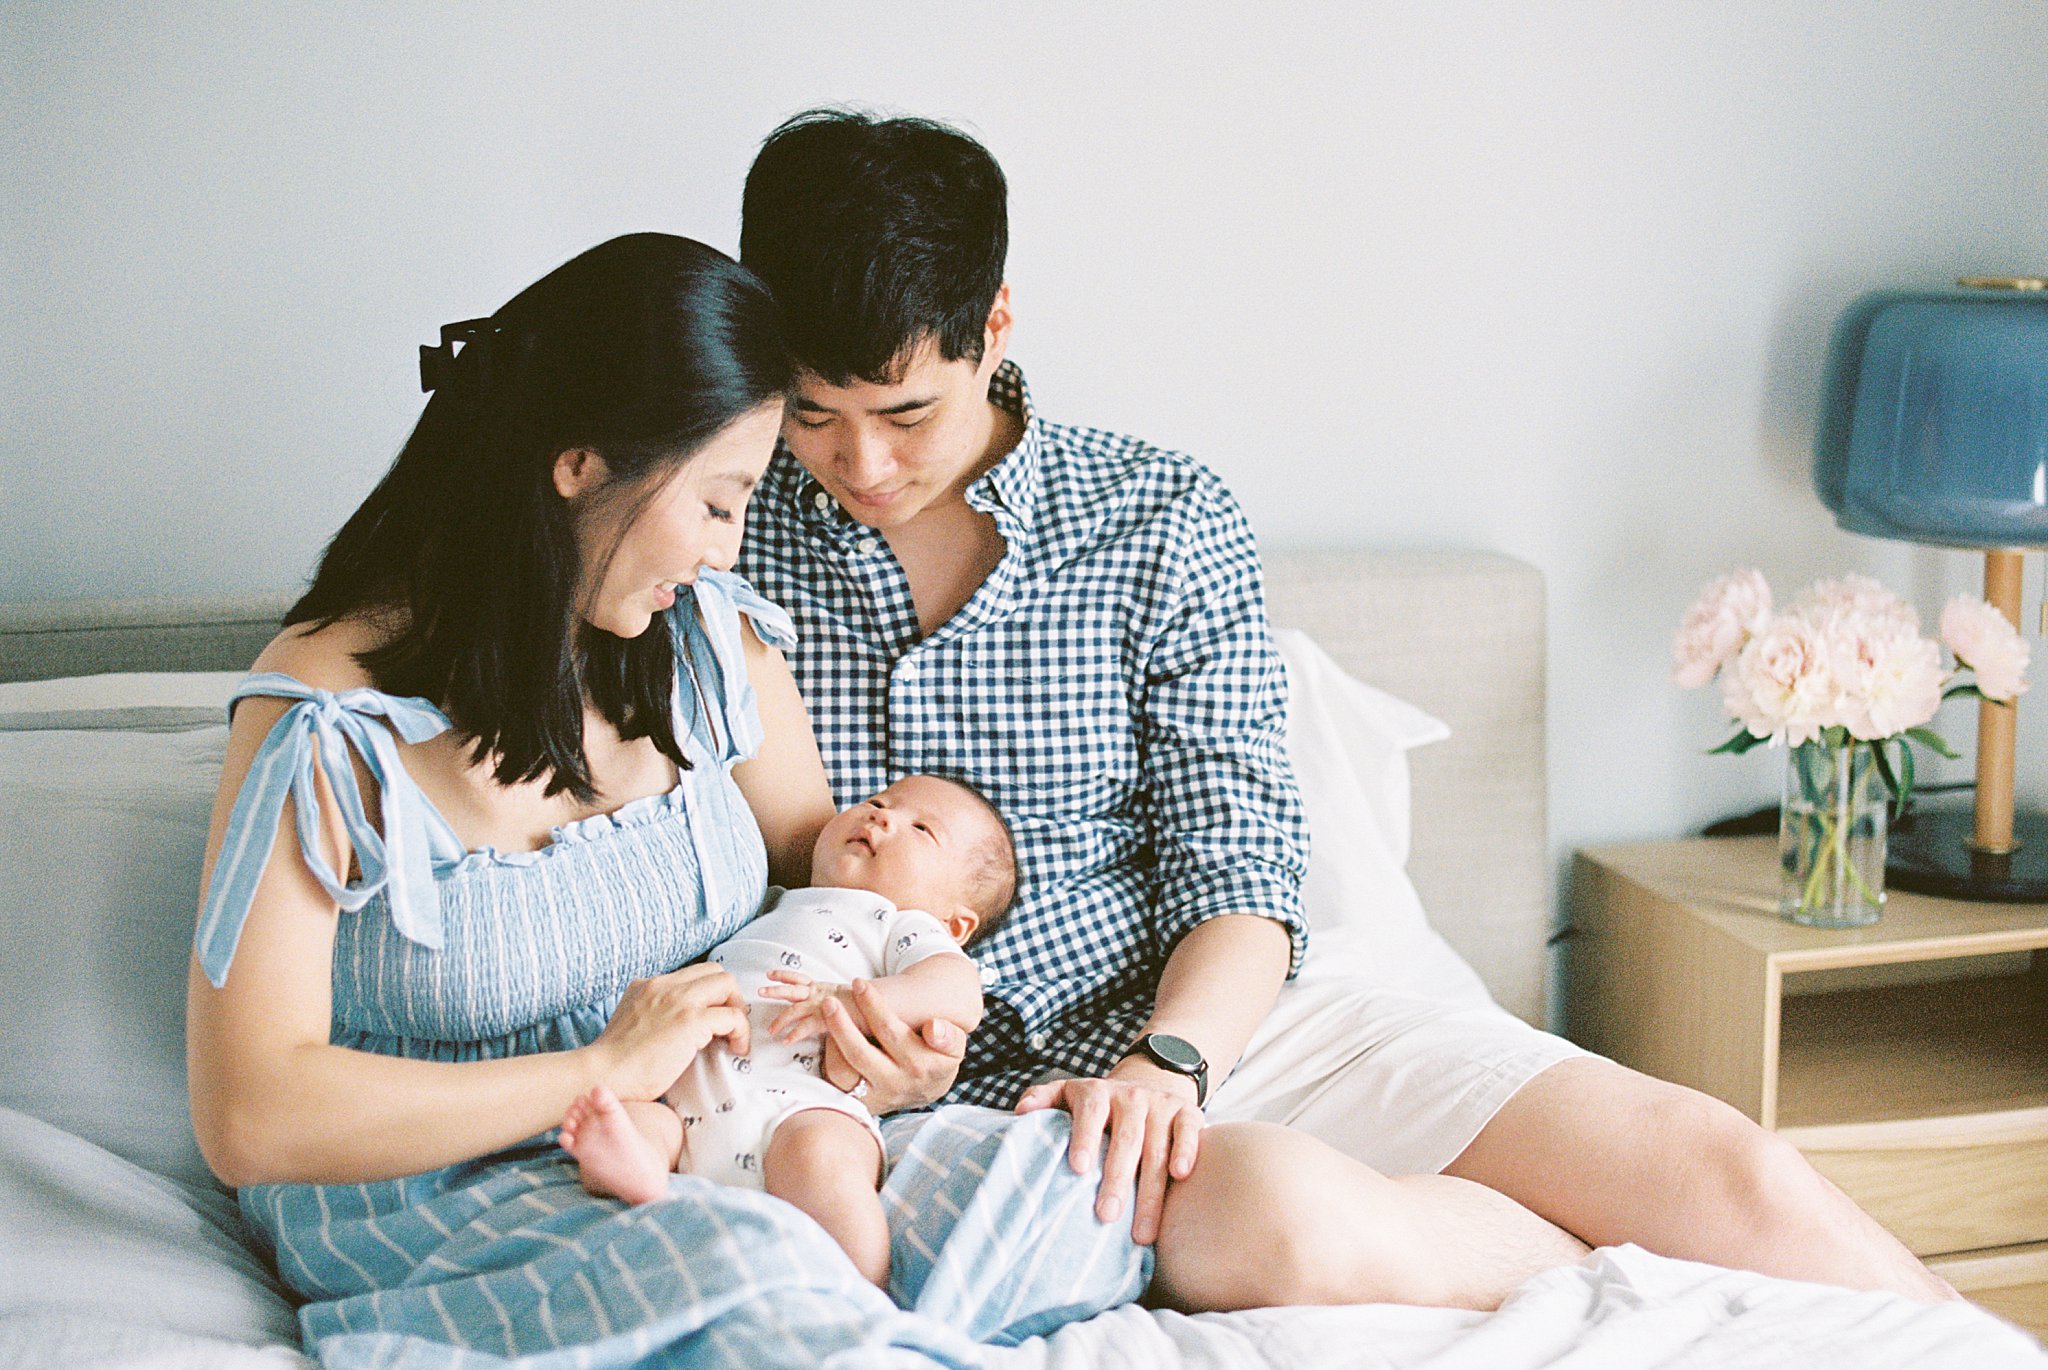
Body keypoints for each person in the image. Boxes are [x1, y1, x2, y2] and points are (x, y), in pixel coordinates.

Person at [183, 231, 1586, 1368]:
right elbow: (252, 1112)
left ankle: (1597, 1280)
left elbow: (832, 876)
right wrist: (596, 1074)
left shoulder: (704, 649)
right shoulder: (329, 729)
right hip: (462, 1191)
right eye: (726, 499)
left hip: (737, 1125)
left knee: (1172, 1185)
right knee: (759, 1277)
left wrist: (908, 1032)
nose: (735, 549)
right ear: (580, 466)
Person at [733, 109, 1953, 1302]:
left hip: (1214, 1019)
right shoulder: (729, 537)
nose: (863, 465)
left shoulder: (1159, 517)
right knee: (1291, 1227)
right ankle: (1638, 1286)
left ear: (992, 327)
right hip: (942, 1099)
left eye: (905, 414)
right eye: (810, 416)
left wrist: (1173, 1059)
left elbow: (1240, 861)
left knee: (1718, 1169)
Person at [559, 772, 1014, 1289]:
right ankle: (635, 1173)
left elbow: (958, 995)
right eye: (877, 801)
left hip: (805, 1104)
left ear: (956, 925)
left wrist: (856, 1002)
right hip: (690, 1100)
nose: (881, 815)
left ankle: (862, 1290)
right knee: (637, 1123)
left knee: (820, 1159)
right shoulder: (767, 902)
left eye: (921, 829)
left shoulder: (904, 924)